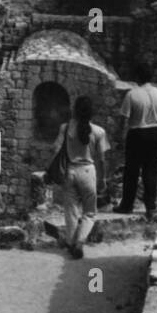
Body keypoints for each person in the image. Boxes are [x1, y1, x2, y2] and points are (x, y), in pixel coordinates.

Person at [49, 95, 111, 259]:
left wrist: (52, 168)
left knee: (71, 211)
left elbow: (54, 148)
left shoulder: (65, 128)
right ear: (92, 112)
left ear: (74, 110)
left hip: (70, 171)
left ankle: (71, 242)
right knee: (90, 212)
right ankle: (80, 241)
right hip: (88, 172)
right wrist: (102, 179)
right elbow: (102, 159)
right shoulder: (99, 132)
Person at [115, 62, 157, 221]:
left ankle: (127, 204)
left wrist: (121, 137)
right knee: (151, 172)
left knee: (131, 171)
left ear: (137, 77)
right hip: (154, 133)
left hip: (137, 134)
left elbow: (123, 119)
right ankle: (151, 207)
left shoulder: (132, 94)